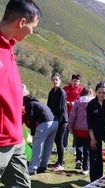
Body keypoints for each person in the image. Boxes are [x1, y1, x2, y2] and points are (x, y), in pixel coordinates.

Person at [0, 0, 41, 187]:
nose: (32, 32)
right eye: (32, 27)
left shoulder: (9, 47)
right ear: (22, 22)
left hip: (16, 138)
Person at [23, 95, 58, 175]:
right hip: (55, 122)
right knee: (48, 146)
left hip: (45, 123)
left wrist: (33, 134)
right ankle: (43, 166)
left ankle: (32, 168)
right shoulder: (39, 103)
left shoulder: (29, 104)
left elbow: (31, 118)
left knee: (37, 146)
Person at [68, 87, 94, 175]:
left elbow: (72, 115)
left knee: (79, 145)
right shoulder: (94, 102)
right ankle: (85, 168)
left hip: (78, 128)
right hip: (89, 129)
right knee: (87, 148)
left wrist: (70, 126)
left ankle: (79, 159)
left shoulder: (78, 102)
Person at [47, 73, 68, 171]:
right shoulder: (51, 92)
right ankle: (58, 161)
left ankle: (61, 163)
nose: (55, 81)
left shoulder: (61, 92)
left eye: (56, 80)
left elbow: (59, 108)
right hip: (54, 119)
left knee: (59, 141)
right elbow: (48, 106)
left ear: (60, 81)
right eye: (53, 79)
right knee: (55, 140)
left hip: (61, 120)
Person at [63, 74, 83, 154]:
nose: (75, 82)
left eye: (77, 81)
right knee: (65, 131)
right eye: (74, 80)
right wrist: (67, 102)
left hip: (77, 114)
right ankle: (64, 147)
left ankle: (75, 148)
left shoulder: (81, 90)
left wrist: (75, 103)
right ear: (71, 81)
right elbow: (62, 99)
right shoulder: (65, 89)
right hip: (66, 113)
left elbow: (82, 100)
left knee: (76, 131)